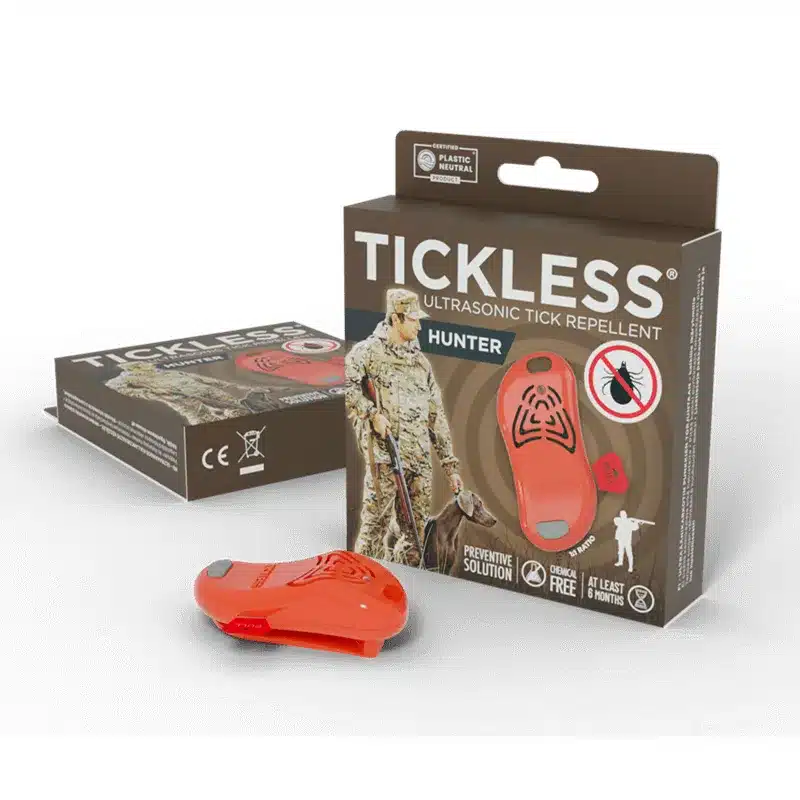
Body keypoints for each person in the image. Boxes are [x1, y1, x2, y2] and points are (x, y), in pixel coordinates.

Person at [345, 288, 462, 566]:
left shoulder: (421, 364)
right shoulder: (367, 352)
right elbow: (347, 385)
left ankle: (403, 581)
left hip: (419, 462)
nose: (419, 326)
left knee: (415, 537)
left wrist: (450, 467)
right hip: (386, 458)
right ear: (396, 319)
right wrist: (372, 414)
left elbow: (436, 417)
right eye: (413, 319)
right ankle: (361, 580)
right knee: (374, 530)